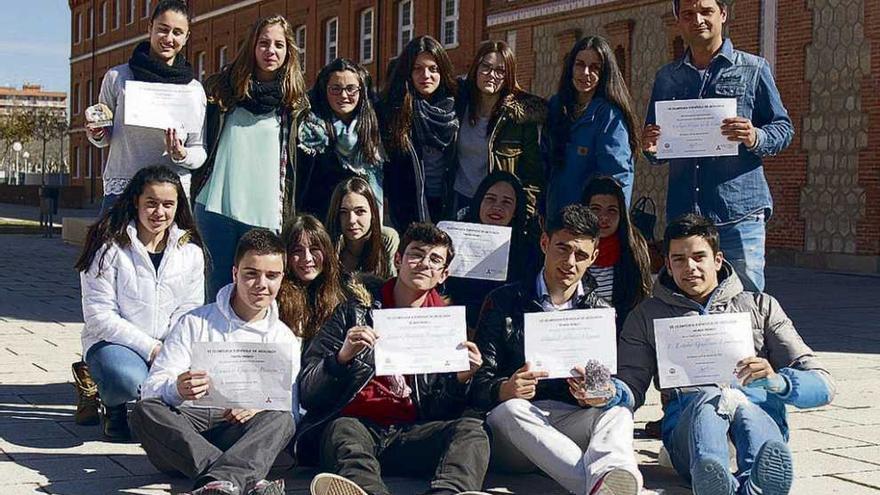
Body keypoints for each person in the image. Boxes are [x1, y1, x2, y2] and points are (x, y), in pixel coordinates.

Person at [615, 214, 835, 495]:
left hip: (758, 424)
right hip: (690, 434)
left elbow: (824, 385)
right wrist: (611, 392)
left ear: (717, 260)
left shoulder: (760, 307)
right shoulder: (647, 315)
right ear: (668, 265)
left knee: (743, 404)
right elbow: (630, 382)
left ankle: (760, 479)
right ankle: (712, 477)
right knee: (708, 397)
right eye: (679, 259)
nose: (690, 267)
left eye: (699, 257)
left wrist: (778, 381)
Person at [297, 223, 490, 495]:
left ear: (444, 274)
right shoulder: (353, 312)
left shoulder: (446, 325)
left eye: (435, 260)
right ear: (398, 260)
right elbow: (308, 391)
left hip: (411, 434)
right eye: (416, 254)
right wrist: (341, 359)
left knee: (471, 430)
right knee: (344, 430)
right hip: (359, 427)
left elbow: (439, 411)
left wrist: (460, 380)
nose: (424, 264)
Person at [471, 204, 643, 495]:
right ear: (544, 243)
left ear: (594, 257)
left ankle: (610, 479)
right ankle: (600, 486)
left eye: (581, 255)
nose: (570, 262)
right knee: (512, 410)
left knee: (618, 413)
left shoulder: (599, 310)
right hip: (516, 430)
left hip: (571, 421)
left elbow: (603, 384)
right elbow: (477, 382)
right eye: (562, 249)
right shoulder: (503, 301)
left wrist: (597, 394)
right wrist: (504, 389)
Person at [130, 229, 299, 495]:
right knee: (144, 411)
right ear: (235, 274)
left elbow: (290, 407)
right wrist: (176, 388)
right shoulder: (195, 322)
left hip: (237, 433)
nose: (261, 284)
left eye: (272, 275)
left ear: (282, 278)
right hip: (187, 427)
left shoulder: (284, 338)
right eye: (251, 274)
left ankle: (218, 482)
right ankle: (234, 477)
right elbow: (151, 388)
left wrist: (258, 407)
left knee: (283, 419)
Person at [642, 0, 795, 293]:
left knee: (747, 303)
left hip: (738, 213)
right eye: (688, 14)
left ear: (723, 14)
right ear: (679, 20)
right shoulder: (667, 78)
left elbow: (783, 129)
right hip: (685, 214)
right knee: (687, 301)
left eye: (706, 11)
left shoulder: (753, 69)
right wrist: (650, 146)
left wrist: (754, 137)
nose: (697, 19)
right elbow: (657, 148)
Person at [74, 165, 206, 440]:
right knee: (128, 379)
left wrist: (172, 347)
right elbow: (99, 316)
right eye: (151, 203)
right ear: (136, 201)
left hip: (168, 344)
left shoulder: (190, 252)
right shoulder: (108, 247)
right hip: (115, 345)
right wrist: (150, 348)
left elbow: (190, 309)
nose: (159, 213)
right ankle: (113, 404)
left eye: (168, 205)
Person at [192, 14, 310, 301]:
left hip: (266, 213)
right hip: (216, 207)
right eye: (264, 43)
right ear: (252, 47)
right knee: (216, 291)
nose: (271, 51)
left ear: (288, 51)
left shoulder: (294, 103)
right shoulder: (221, 90)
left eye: (279, 45)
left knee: (257, 293)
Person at [86, 0, 206, 213]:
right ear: (149, 28)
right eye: (163, 29)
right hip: (123, 193)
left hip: (171, 198)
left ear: (187, 37)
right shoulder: (117, 78)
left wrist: (182, 154)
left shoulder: (194, 90)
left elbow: (199, 149)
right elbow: (103, 138)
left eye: (178, 33)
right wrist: (96, 133)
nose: (169, 38)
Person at [451, 40, 546, 223]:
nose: (491, 75)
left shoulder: (520, 118)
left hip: (499, 208)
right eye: (486, 67)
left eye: (500, 71)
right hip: (460, 201)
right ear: (476, 69)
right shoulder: (458, 105)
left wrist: (524, 216)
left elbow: (532, 175)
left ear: (508, 76)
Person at [545, 36, 640, 217]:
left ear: (604, 73)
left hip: (589, 226)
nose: (586, 73)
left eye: (595, 67)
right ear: (570, 67)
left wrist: (607, 222)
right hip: (554, 222)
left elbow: (617, 177)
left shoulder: (609, 117)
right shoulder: (556, 107)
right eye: (580, 65)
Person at [444, 171, 541, 334]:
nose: (497, 207)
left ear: (516, 210)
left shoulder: (527, 250)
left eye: (507, 202)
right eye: (490, 199)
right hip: (456, 327)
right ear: (479, 202)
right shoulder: (453, 240)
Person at [380, 36, 459, 228]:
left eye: (433, 69)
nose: (426, 75)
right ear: (408, 72)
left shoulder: (458, 106)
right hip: (407, 209)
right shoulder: (392, 111)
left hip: (451, 204)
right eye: (417, 69)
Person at [297, 58, 385, 221]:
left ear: (361, 91)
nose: (344, 95)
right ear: (325, 91)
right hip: (320, 222)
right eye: (335, 89)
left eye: (351, 88)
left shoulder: (376, 125)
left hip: (362, 224)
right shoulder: (310, 129)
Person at [581, 176, 652, 332]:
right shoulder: (572, 250)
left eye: (612, 210)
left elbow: (641, 303)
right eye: (595, 209)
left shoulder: (635, 248)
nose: (604, 218)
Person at [276, 214, 347, 343]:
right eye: (297, 250)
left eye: (314, 249)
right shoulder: (275, 299)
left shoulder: (341, 294)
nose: (307, 258)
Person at [326, 177, 397, 280]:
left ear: (373, 212)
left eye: (360, 211)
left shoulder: (386, 239)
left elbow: (392, 284)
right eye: (343, 212)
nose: (351, 220)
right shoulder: (327, 243)